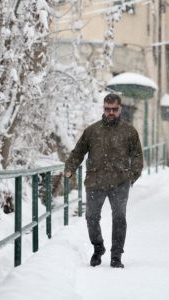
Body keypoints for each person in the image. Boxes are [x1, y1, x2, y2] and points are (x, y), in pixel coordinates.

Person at [64, 93, 143, 268]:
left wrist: (132, 175)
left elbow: (137, 155)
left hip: (120, 182)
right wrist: (70, 168)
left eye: (114, 109)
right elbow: (78, 152)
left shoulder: (129, 131)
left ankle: (116, 256)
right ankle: (98, 248)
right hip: (95, 181)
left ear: (120, 108)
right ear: (103, 109)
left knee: (119, 217)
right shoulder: (92, 131)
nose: (111, 113)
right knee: (91, 217)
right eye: (108, 109)